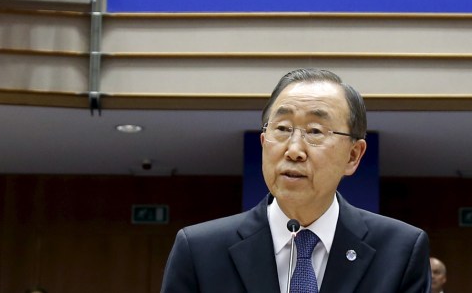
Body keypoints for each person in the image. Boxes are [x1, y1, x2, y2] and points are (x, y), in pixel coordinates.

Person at [161, 67, 431, 292]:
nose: (294, 150)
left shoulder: (400, 250)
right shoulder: (199, 251)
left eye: (315, 131)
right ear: (264, 142)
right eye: (282, 129)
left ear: (353, 155)